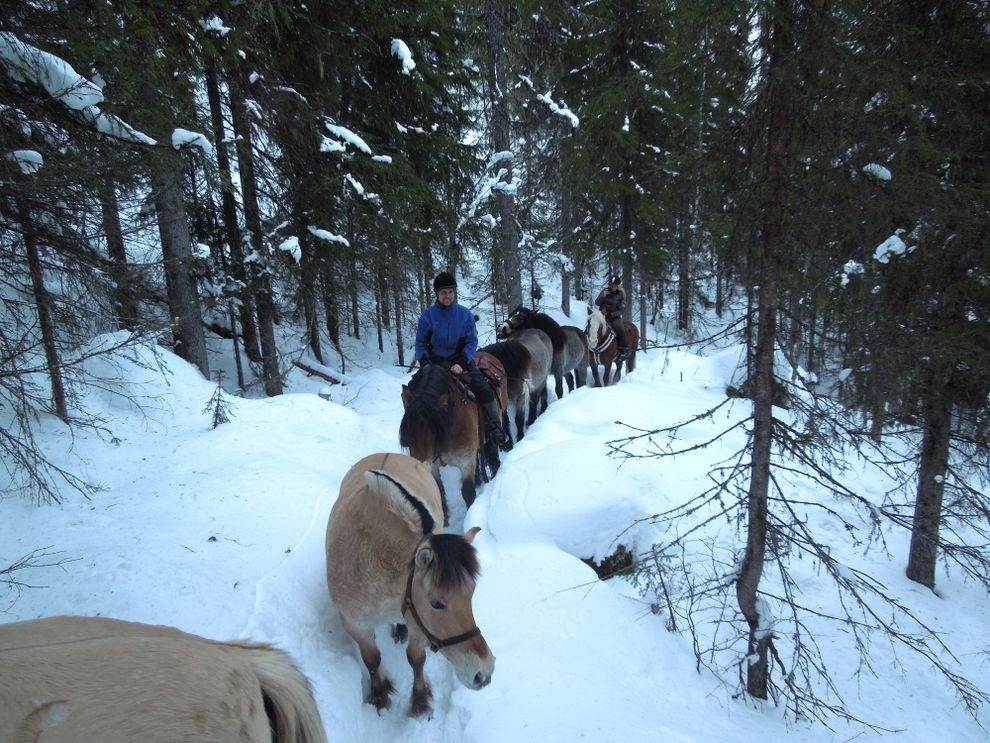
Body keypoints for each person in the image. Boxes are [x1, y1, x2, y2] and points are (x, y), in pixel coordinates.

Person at [416, 271, 509, 449]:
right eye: (443, 292)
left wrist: (460, 362)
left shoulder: (465, 315)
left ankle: (495, 427)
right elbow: (420, 343)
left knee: (483, 389)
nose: (447, 296)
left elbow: (472, 341)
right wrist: (425, 363)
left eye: (450, 292)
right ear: (437, 294)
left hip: (461, 361)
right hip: (435, 364)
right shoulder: (428, 316)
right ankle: (418, 431)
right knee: (416, 392)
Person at [595, 274, 630, 360]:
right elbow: (597, 303)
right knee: (591, 325)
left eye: (613, 285)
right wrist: (603, 296)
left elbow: (622, 310)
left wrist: (612, 314)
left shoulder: (621, 294)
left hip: (614, 317)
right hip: (602, 316)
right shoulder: (604, 291)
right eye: (610, 285)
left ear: (617, 286)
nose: (611, 287)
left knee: (620, 329)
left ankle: (623, 350)